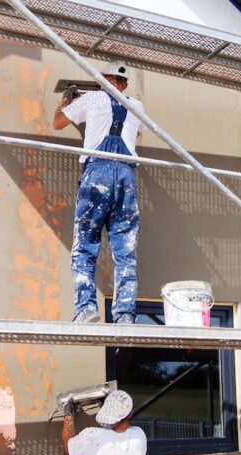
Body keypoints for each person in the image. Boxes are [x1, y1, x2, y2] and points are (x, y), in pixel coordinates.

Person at [53, 61, 144, 325]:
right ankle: (125, 314)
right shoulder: (137, 106)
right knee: (125, 249)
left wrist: (65, 102)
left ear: (104, 79)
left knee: (85, 244)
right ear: (124, 84)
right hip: (126, 175)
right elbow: (137, 134)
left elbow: (58, 123)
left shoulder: (92, 99)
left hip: (98, 173)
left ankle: (86, 308)